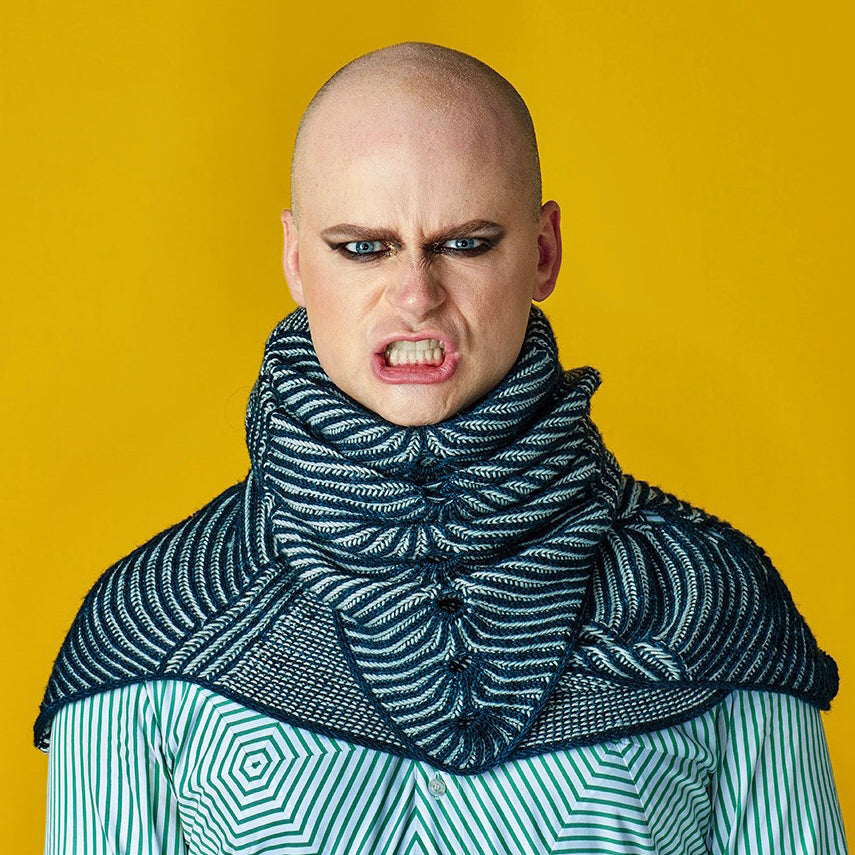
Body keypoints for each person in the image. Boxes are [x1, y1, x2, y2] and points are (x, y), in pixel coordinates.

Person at [37, 42, 846, 854]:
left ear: (543, 251)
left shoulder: (711, 604)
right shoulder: (151, 630)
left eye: (465, 243)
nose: (416, 295)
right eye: (363, 247)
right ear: (295, 259)